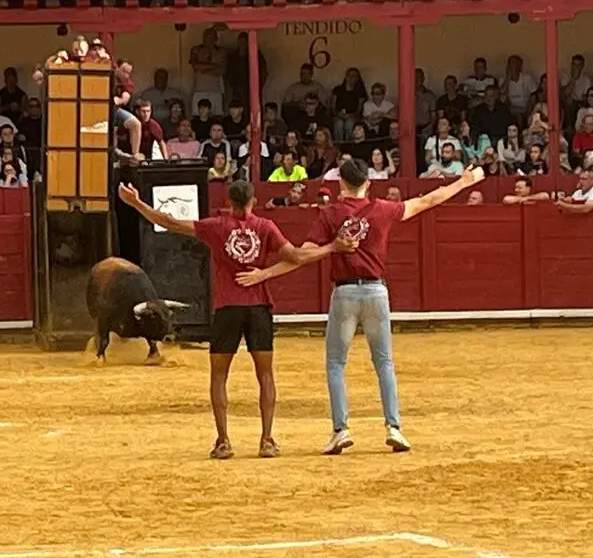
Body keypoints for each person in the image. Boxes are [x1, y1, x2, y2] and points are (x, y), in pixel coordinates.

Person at [235, 158, 486, 455]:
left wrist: (265, 273)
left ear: (341, 183)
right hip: (376, 292)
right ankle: (395, 427)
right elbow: (428, 200)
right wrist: (464, 181)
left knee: (336, 364)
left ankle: (341, 431)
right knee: (384, 363)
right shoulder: (382, 209)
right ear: (368, 182)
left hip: (344, 294)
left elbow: (302, 255)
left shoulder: (330, 214)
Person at [117, 179, 356, 460]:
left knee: (219, 376)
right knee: (265, 375)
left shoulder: (217, 226)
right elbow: (296, 256)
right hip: (258, 306)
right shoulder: (265, 227)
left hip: (227, 307)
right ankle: (267, 440)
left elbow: (169, 221)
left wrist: (136, 203)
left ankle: (223, 441)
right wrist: (331, 248)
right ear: (254, 201)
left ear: (228, 203)